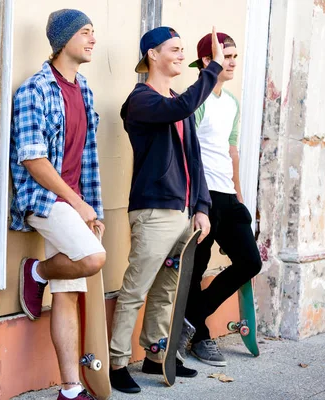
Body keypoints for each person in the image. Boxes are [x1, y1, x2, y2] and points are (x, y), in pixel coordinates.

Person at [108, 26, 224, 393]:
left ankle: (157, 354)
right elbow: (180, 106)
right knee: (136, 289)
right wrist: (213, 68)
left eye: (182, 49)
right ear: (152, 55)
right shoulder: (141, 101)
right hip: (154, 210)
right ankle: (115, 362)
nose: (179, 55)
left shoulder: (177, 101)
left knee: (166, 291)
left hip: (183, 211)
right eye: (174, 49)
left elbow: (196, 160)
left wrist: (202, 207)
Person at [9, 9, 105, 400]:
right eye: (85, 32)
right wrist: (78, 204)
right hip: (46, 199)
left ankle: (69, 389)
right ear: (63, 40)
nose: (93, 39)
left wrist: (92, 209)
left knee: (67, 292)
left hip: (75, 202)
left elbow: (86, 158)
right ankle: (36, 271)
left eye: (93, 32)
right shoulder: (35, 90)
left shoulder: (84, 90)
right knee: (93, 259)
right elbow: (33, 160)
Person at [184, 32, 262, 367]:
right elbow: (190, 155)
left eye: (234, 56)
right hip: (203, 197)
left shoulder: (231, 102)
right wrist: (196, 203)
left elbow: (231, 151)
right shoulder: (196, 101)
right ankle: (200, 336)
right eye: (225, 56)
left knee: (250, 261)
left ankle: (193, 320)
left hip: (228, 197)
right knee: (195, 269)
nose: (231, 62)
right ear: (207, 61)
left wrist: (241, 199)